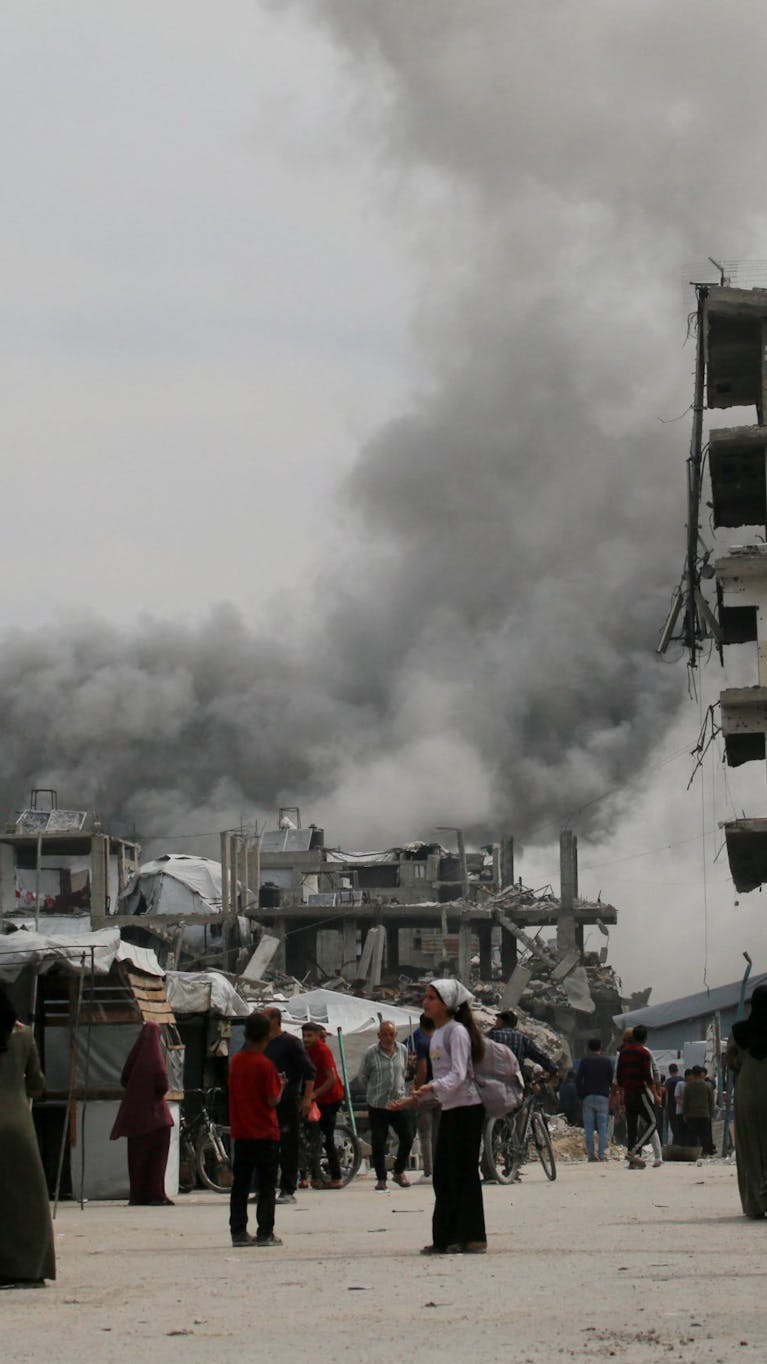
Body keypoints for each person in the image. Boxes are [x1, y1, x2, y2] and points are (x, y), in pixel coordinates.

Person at [392, 978, 487, 1255]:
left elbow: (458, 1074)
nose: (426, 1002)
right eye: (426, 997)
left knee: (462, 1173)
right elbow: (445, 1079)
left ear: (446, 1004)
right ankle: (446, 1237)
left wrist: (432, 1086)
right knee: (444, 1175)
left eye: (431, 998)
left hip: (467, 1108)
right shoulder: (438, 1034)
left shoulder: (457, 1032)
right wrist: (415, 1098)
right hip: (450, 1108)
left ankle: (469, 1237)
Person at [0, 984, 55, 1289]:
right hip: (17, 1125)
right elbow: (37, 1083)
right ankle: (30, 1269)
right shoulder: (23, 1035)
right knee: (28, 1202)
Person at [228, 1011, 284, 1247]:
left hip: (241, 1132)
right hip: (265, 1133)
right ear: (267, 1035)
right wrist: (282, 1086)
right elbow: (272, 1100)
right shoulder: (265, 1066)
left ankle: (238, 1232)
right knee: (267, 1186)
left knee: (240, 1185)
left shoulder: (236, 1062)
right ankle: (265, 1232)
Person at [110, 1021, 174, 1205]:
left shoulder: (135, 1056)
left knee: (137, 1159)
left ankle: (138, 1195)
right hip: (157, 1117)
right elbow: (162, 1085)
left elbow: (124, 1078)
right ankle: (155, 1194)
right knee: (157, 1160)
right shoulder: (156, 1057)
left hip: (136, 1117)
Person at [264, 1007, 316, 1204]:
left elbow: (310, 1072)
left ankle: (288, 1189)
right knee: (266, 1147)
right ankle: (265, 1189)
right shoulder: (261, 1043)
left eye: (265, 1018)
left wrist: (307, 1098)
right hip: (266, 1103)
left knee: (288, 1145)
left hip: (287, 1101)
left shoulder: (291, 1043)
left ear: (276, 1021)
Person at [727, 984, 767, 1218]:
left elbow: (733, 1062)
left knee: (750, 1147)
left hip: (748, 1093)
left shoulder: (739, 1031)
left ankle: (754, 1204)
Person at [359, 1021, 413, 1190]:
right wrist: (373, 1091)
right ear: (379, 1036)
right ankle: (381, 1178)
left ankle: (398, 1171)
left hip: (398, 1102)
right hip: (378, 1104)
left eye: (391, 1034)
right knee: (379, 1141)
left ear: (395, 1035)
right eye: (385, 1034)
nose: (388, 1038)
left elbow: (403, 1071)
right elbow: (363, 1076)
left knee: (407, 1137)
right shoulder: (370, 1053)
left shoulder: (402, 1050)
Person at [300, 1021, 345, 1188]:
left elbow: (331, 1079)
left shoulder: (322, 1050)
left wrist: (313, 1094)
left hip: (330, 1098)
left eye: (310, 1035)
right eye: (304, 1036)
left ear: (318, 1035)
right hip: (317, 1098)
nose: (306, 1039)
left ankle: (336, 1177)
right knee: (312, 1136)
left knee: (327, 1137)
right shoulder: (307, 1050)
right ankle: (315, 1177)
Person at [615, 1024, 656, 1169]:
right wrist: (656, 1094)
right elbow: (647, 1076)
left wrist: (620, 1097)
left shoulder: (623, 1052)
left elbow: (619, 1077)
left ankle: (632, 1161)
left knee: (631, 1127)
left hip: (628, 1094)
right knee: (653, 1122)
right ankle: (634, 1151)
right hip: (640, 1092)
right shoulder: (643, 1053)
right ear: (645, 1038)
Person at [409, 1013, 439, 1183]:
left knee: (425, 1135)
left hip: (427, 1092)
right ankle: (440, 1169)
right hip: (441, 1091)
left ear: (420, 1025)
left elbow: (423, 1071)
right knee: (438, 1134)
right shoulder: (439, 1042)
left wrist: (417, 1088)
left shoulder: (422, 1043)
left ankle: (429, 1172)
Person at [487, 1009, 557, 1077]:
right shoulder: (523, 1039)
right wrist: (553, 1069)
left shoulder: (493, 1035)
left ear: (502, 1022)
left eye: (497, 1020)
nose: (495, 1022)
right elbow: (539, 1055)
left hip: (493, 1077)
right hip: (513, 1080)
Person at [576, 1038, 614, 1162]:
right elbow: (611, 1080)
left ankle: (591, 1155)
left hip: (588, 1097)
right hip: (603, 1097)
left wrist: (581, 1095)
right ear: (600, 1047)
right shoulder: (607, 1061)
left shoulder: (584, 1061)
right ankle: (602, 1154)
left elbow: (578, 1079)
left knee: (589, 1128)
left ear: (588, 1048)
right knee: (603, 1127)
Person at [682, 1065, 715, 1155]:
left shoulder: (688, 1086)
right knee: (704, 1135)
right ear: (701, 1074)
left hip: (691, 1115)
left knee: (692, 1135)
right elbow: (711, 1101)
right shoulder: (707, 1086)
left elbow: (685, 1102)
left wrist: (684, 1114)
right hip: (704, 1114)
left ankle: (692, 1153)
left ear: (692, 1074)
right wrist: (711, 1114)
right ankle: (705, 1152)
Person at [664, 1063, 683, 1144]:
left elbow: (666, 1095)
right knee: (681, 1126)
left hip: (672, 1107)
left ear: (669, 1071)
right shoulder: (682, 1079)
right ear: (677, 1070)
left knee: (674, 1127)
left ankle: (676, 1143)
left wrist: (665, 1107)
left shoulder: (668, 1082)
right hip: (682, 1107)